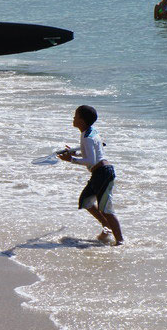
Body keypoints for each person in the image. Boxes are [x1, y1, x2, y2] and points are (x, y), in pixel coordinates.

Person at [58, 105, 124, 246]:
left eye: (75, 116)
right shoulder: (91, 132)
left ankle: (120, 242)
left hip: (103, 173)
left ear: (82, 121)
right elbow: (91, 153)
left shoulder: (87, 137)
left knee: (106, 210)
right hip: (99, 173)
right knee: (86, 201)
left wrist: (70, 159)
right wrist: (75, 153)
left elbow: (91, 160)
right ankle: (107, 229)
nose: (73, 118)